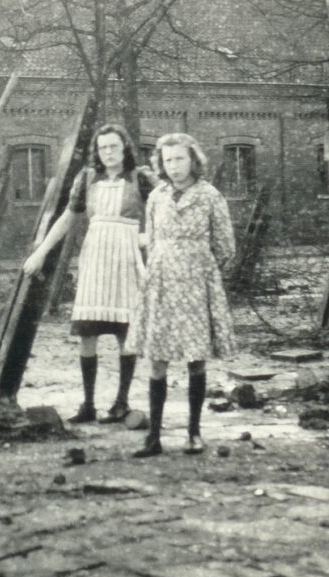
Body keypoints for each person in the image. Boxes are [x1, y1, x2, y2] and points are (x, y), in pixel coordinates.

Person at [23, 124, 156, 424]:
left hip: (126, 258)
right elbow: (68, 218)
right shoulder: (86, 179)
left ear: (125, 149)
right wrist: (41, 252)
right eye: (103, 147)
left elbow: (162, 209)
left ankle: (121, 403)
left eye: (114, 147)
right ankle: (88, 404)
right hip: (95, 258)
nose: (108, 153)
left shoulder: (141, 178)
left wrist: (151, 239)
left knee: (126, 334)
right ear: (97, 151)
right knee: (88, 333)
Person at [128, 133, 236, 458]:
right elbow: (151, 240)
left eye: (179, 159)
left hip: (195, 285)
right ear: (160, 163)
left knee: (195, 359)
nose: (173, 166)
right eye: (168, 160)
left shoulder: (209, 196)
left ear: (193, 160)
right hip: (160, 284)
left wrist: (197, 267)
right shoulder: (157, 197)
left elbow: (226, 247)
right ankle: (153, 438)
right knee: (157, 360)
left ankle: (193, 433)